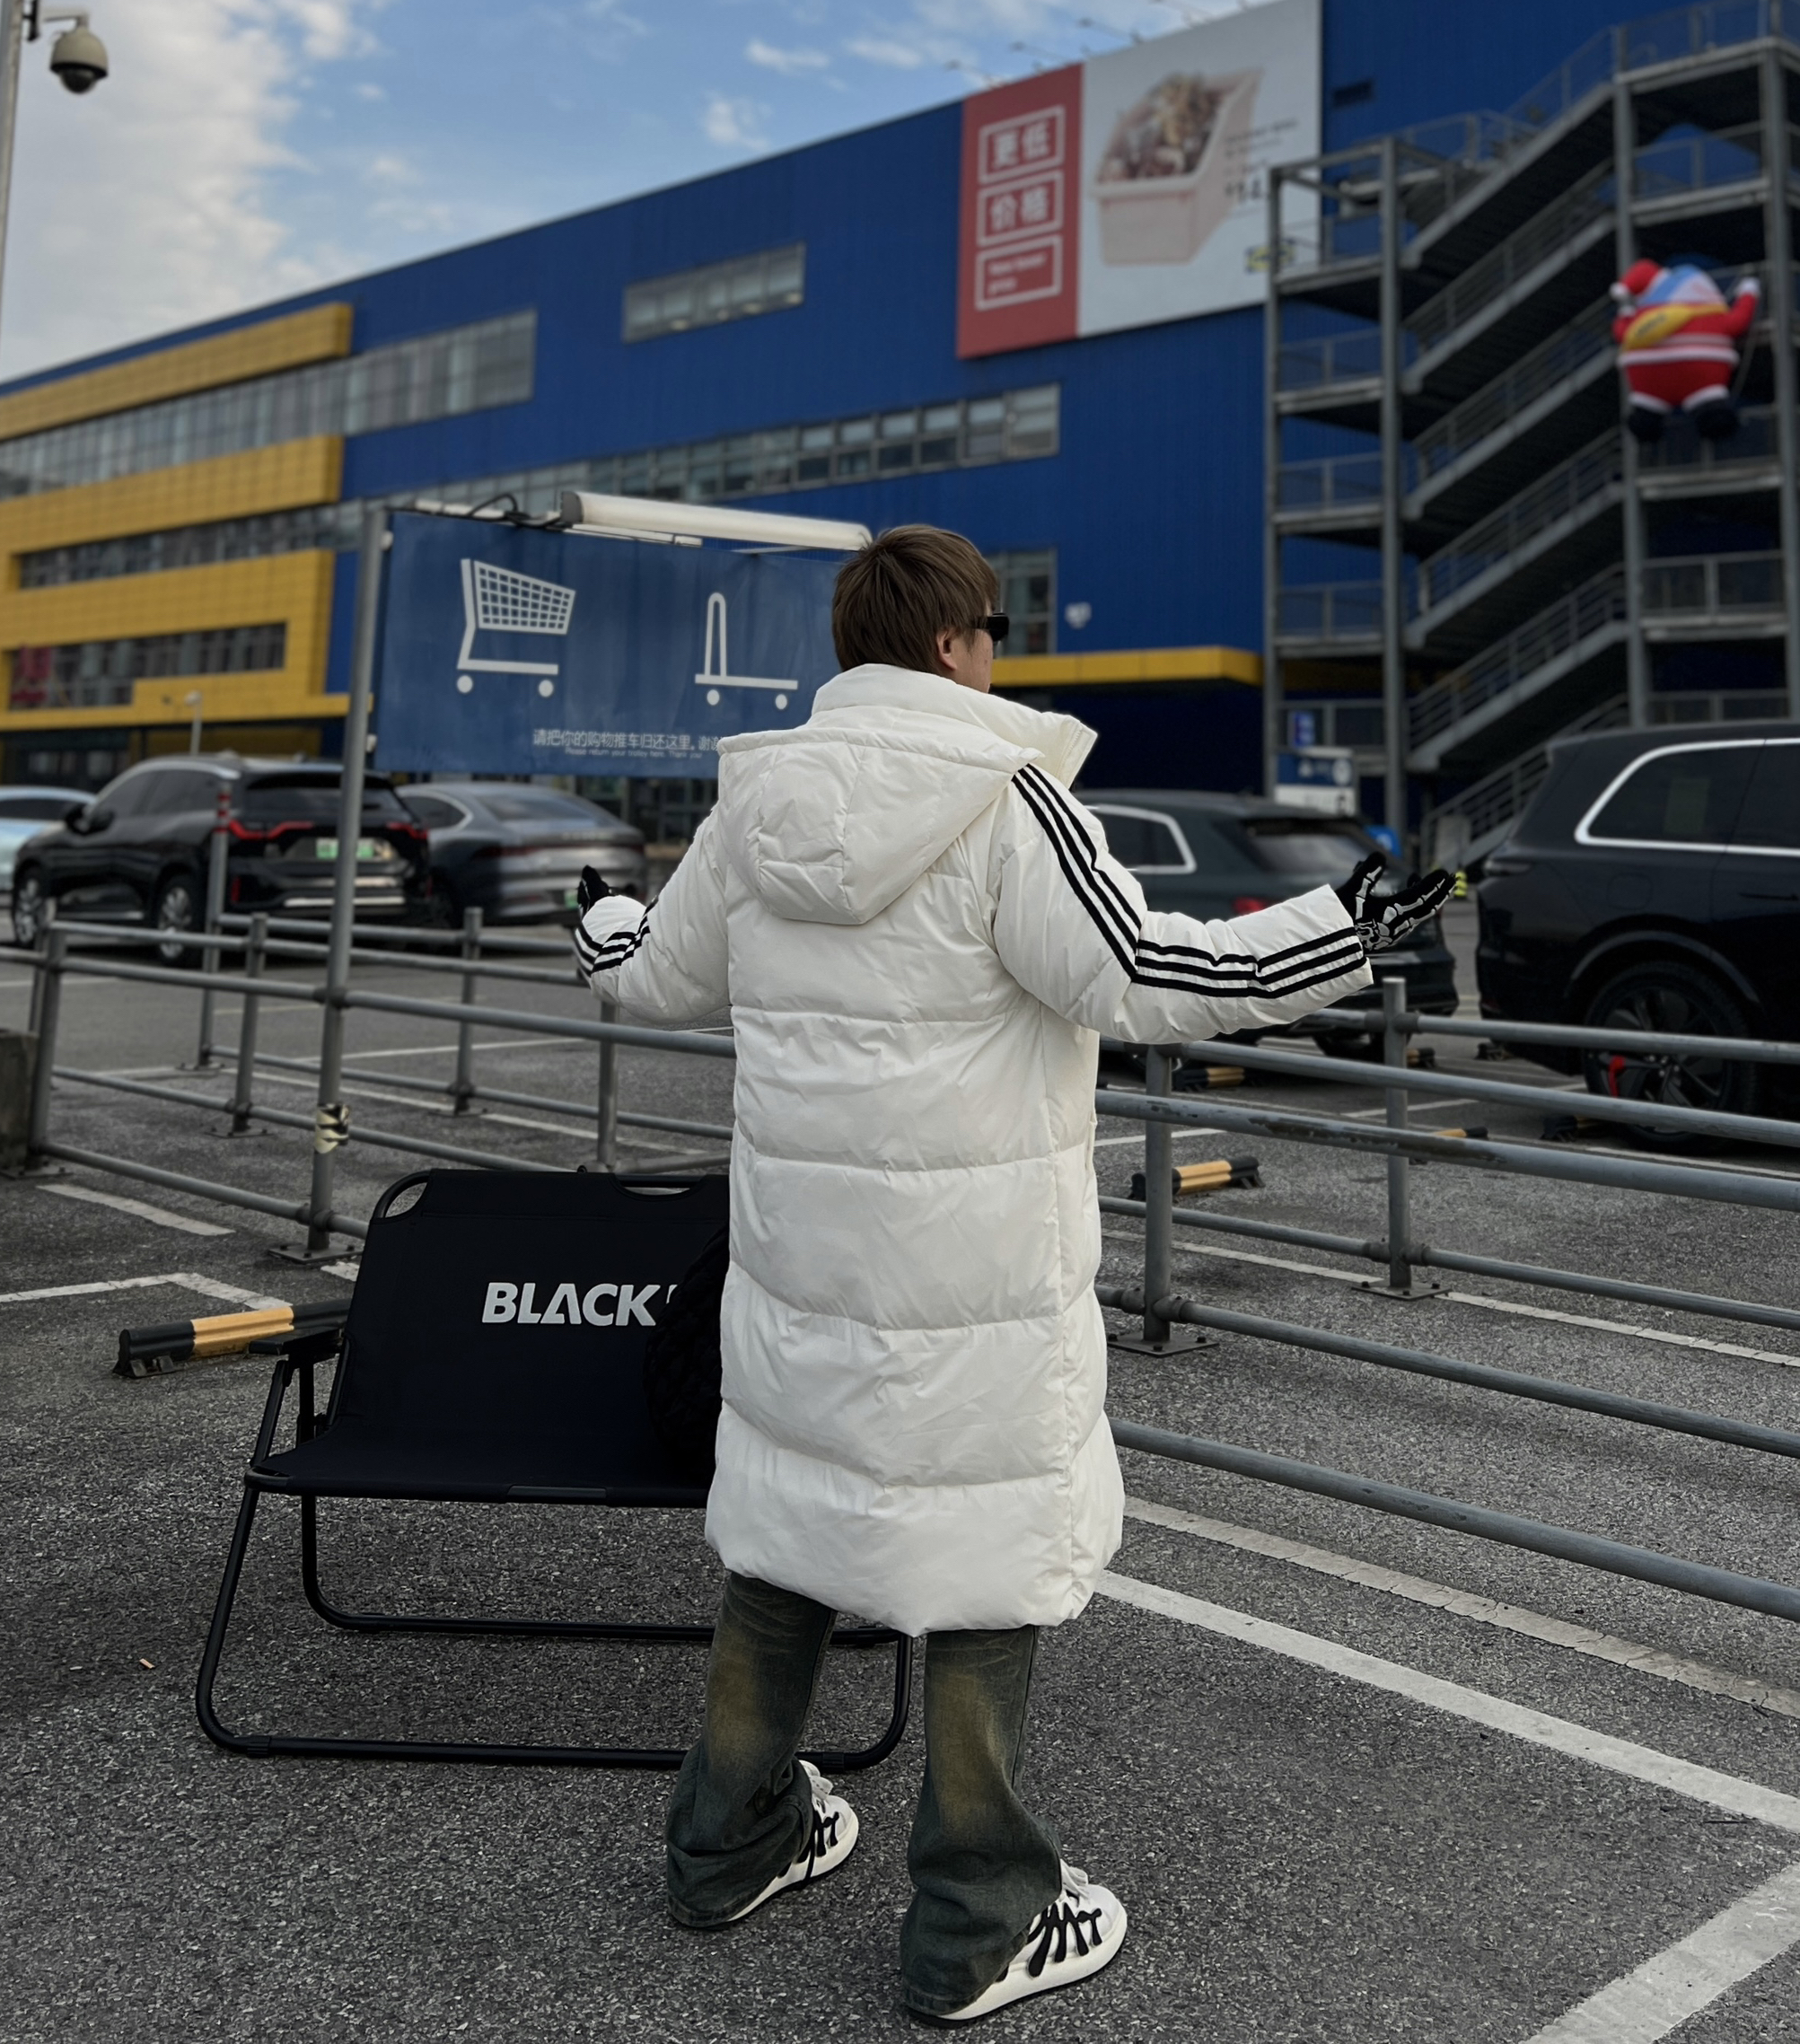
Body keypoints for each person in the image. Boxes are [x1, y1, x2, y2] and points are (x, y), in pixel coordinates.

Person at [574, 525, 1451, 2024]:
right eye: (994, 628)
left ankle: (725, 1845)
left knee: (784, 1534)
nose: (998, 652)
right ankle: (978, 1923)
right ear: (956, 641)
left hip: (798, 1268)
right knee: (984, 1561)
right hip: (971, 1279)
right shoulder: (1008, 797)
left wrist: (598, 925)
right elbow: (1151, 976)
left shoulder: (755, 805)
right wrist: (1341, 932)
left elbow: (655, 975)